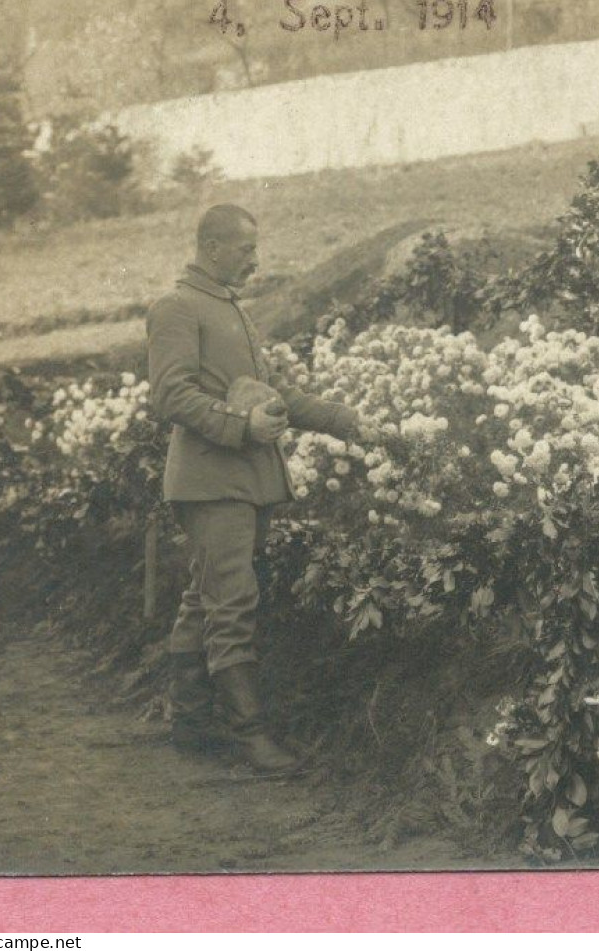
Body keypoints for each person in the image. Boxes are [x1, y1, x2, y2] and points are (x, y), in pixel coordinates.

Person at [147, 204, 368, 777]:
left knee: (207, 596)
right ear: (212, 247)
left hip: (239, 482)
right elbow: (171, 396)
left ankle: (192, 724)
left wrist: (347, 421)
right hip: (210, 482)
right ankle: (250, 736)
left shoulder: (228, 308)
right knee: (233, 603)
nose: (255, 260)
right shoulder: (177, 307)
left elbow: (268, 394)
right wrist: (241, 428)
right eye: (245, 249)